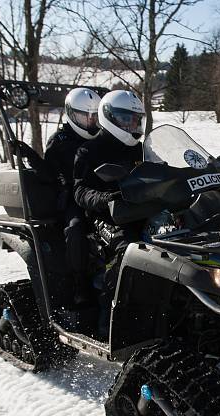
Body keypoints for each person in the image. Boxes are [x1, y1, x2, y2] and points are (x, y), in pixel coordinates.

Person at [72, 89, 146, 335]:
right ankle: (110, 323)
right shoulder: (90, 150)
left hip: (141, 210)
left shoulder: (140, 148)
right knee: (128, 252)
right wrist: (106, 198)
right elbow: (80, 191)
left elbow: (160, 171)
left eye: (137, 119)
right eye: (128, 119)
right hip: (105, 217)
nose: (133, 125)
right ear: (111, 117)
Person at [44, 87, 101, 304]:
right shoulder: (60, 140)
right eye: (84, 116)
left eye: (94, 116)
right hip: (71, 196)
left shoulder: (100, 137)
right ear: (71, 113)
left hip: (97, 193)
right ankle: (79, 283)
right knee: (76, 228)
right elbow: (51, 172)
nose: (90, 121)